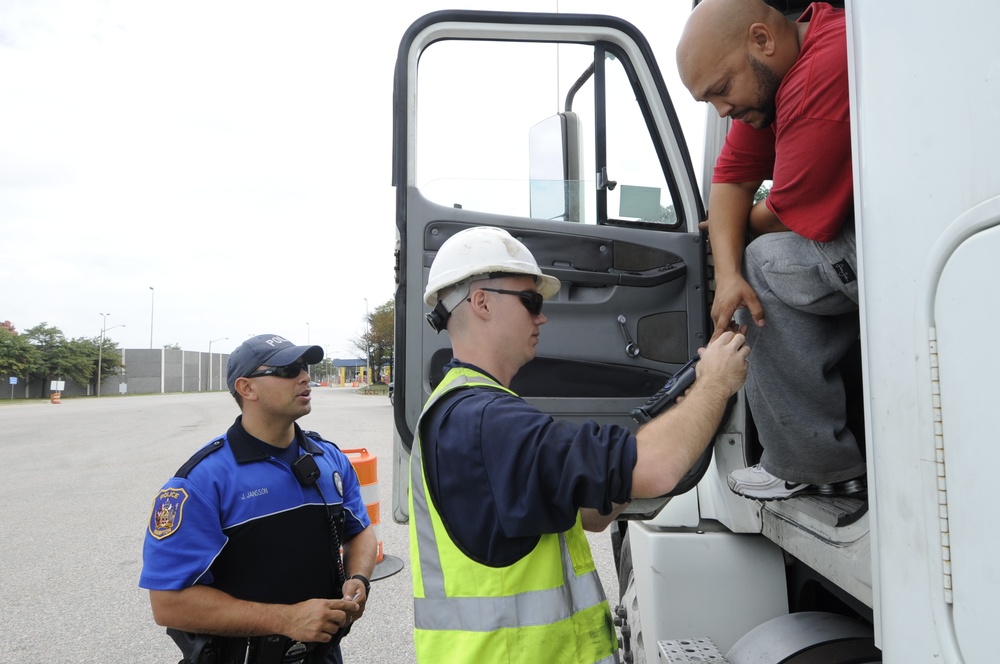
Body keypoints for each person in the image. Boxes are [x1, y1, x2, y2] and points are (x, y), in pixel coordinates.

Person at [410, 226, 750, 663]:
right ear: (481, 302)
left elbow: (591, 514)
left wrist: (677, 417)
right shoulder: (489, 421)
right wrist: (714, 385)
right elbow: (657, 468)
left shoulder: (467, 412)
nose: (542, 317)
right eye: (531, 301)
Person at [675, 0, 866, 500]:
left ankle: (813, 465)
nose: (722, 110)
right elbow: (730, 178)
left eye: (721, 90)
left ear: (762, 39)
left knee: (766, 264)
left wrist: (737, 258)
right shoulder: (781, 72)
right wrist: (727, 263)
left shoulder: (818, 76)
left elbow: (782, 212)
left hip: (909, 247)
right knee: (753, 263)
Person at [140, 334, 377, 664]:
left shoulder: (330, 459)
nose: (305, 376)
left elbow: (360, 530)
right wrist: (288, 619)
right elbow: (168, 604)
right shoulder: (201, 482)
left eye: (305, 367)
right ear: (246, 388)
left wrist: (359, 577)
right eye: (288, 369)